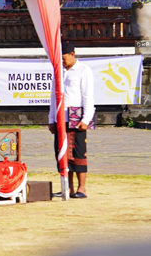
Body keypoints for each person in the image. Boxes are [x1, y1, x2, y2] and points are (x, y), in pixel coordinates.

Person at [49, 40, 95, 199]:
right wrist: (51, 119)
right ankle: (67, 188)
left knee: (79, 152)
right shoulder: (58, 72)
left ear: (72, 54)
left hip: (77, 115)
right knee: (61, 152)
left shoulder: (83, 71)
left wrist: (86, 119)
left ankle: (82, 189)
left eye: (63, 58)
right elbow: (52, 98)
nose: (61, 61)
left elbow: (88, 96)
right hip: (61, 116)